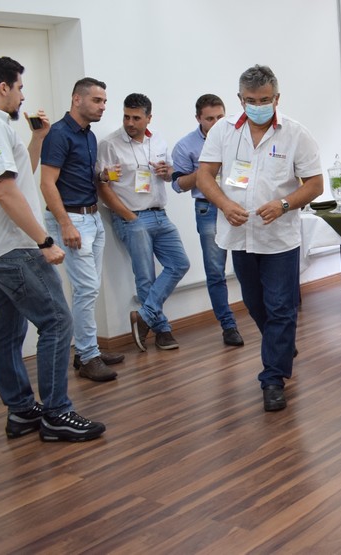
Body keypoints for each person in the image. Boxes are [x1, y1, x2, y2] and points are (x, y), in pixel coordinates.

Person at [0, 57, 105, 441]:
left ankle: (22, 411)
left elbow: (18, 175)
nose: (23, 96)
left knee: (9, 330)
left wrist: (38, 139)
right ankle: (57, 413)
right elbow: (5, 191)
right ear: (3, 87)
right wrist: (44, 240)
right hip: (13, 246)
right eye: (19, 87)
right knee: (57, 321)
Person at [196, 65, 323, 412]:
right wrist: (224, 204)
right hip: (239, 235)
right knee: (255, 304)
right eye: (251, 100)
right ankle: (281, 345)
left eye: (265, 100)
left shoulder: (296, 134)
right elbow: (204, 176)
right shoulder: (223, 131)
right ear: (240, 99)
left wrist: (284, 204)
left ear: (276, 98)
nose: (258, 106)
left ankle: (273, 379)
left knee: (281, 306)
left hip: (279, 238)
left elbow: (315, 184)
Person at [40, 78, 124, 382]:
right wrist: (65, 224)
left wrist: (102, 176)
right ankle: (88, 356)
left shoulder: (88, 135)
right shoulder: (58, 134)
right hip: (72, 220)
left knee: (89, 289)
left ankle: (87, 351)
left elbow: (77, 174)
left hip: (92, 217)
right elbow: (47, 183)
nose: (103, 107)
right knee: (86, 289)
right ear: (77, 99)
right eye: (97, 101)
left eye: (104, 101)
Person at [98, 93, 190, 352]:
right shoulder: (110, 144)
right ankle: (163, 330)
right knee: (145, 276)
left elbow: (170, 173)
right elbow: (102, 185)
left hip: (160, 213)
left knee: (180, 264)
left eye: (136, 118)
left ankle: (144, 315)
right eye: (126, 116)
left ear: (149, 118)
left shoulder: (157, 139)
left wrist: (167, 172)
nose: (130, 122)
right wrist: (128, 216)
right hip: (133, 216)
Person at [172, 94, 242, 347]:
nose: (215, 123)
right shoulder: (185, 145)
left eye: (220, 117)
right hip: (208, 209)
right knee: (215, 272)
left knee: (249, 266)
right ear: (198, 119)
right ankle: (228, 326)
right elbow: (178, 185)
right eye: (209, 119)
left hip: (239, 204)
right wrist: (205, 172)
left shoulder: (239, 137)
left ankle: (266, 320)